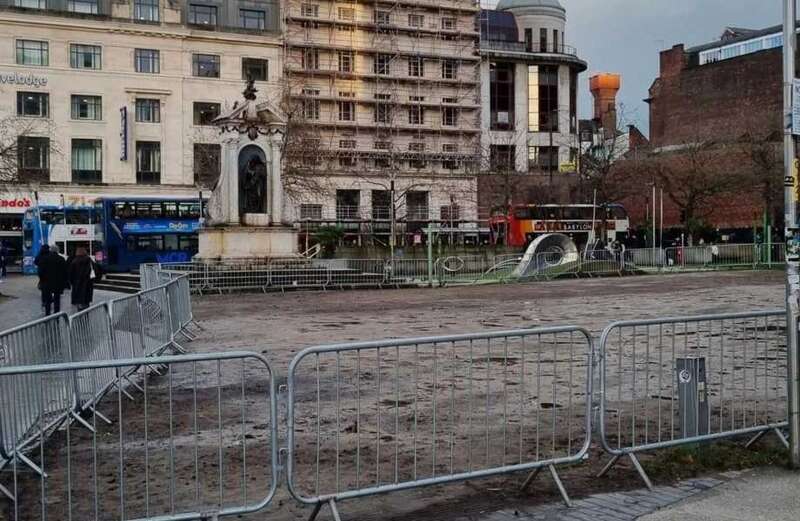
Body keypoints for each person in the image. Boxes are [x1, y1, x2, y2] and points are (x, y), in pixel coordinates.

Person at [37, 244, 69, 316]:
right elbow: (65, 272)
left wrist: (42, 280)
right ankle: (56, 313)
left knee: (48, 300)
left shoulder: (44, 258)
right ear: (57, 250)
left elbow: (40, 271)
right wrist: (64, 282)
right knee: (57, 299)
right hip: (58, 283)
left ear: (50, 250)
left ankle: (47, 314)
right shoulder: (61, 259)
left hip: (46, 283)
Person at [69, 247, 101, 311]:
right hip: (88, 284)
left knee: (79, 302)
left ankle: (80, 314)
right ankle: (86, 315)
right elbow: (96, 271)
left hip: (77, 285)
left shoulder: (74, 261)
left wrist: (72, 282)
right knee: (86, 301)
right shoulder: (89, 261)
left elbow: (70, 274)